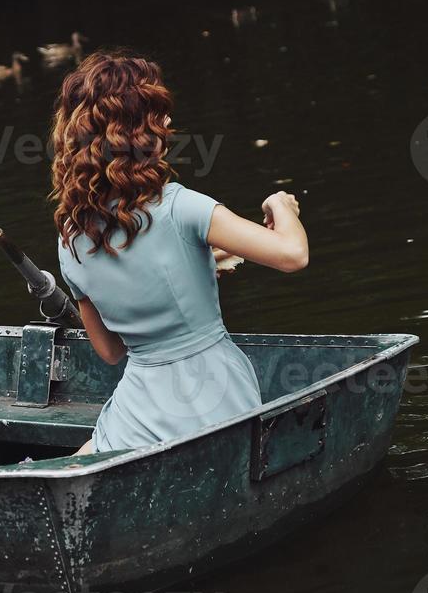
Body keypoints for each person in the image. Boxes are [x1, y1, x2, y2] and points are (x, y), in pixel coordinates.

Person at [50, 52, 309, 455]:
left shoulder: (70, 238)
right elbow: (293, 255)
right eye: (158, 116)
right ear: (135, 132)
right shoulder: (182, 206)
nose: (168, 125)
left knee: (88, 455)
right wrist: (281, 206)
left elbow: (111, 351)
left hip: (139, 411)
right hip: (215, 399)